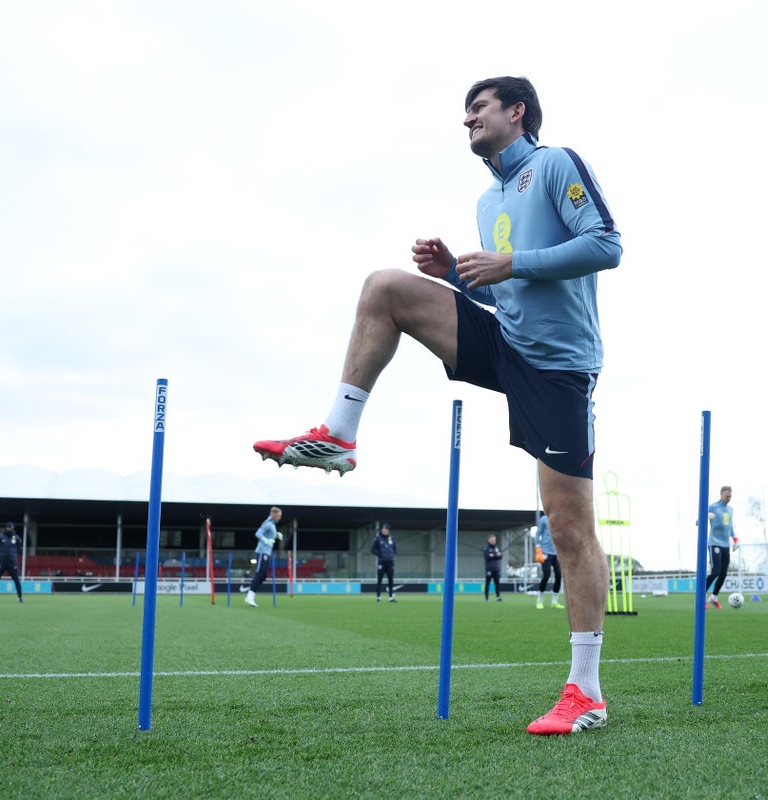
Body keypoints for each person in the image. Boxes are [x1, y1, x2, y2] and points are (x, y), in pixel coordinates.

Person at [252, 76, 620, 735]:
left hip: (560, 365)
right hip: (506, 340)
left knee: (567, 523)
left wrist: (509, 263)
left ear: (517, 111)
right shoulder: (487, 200)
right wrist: (455, 275)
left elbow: (606, 245)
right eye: (464, 111)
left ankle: (585, 691)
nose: (468, 120)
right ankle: (339, 432)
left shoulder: (556, 162)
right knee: (387, 287)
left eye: (478, 108)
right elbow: (503, 295)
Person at [245, 506, 283, 608]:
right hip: (262, 552)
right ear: (273, 514)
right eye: (279, 515)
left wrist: (276, 535)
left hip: (267, 552)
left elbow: (269, 535)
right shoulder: (268, 523)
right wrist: (265, 540)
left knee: (263, 575)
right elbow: (258, 533)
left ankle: (251, 595)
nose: (280, 518)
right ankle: (250, 596)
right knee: (260, 573)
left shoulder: (272, 525)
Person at [705, 486, 735, 609]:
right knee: (716, 571)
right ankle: (701, 597)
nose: (729, 498)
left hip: (726, 545)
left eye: (731, 496)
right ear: (722, 494)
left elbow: (730, 526)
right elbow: (698, 520)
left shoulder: (730, 509)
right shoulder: (713, 507)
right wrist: (706, 517)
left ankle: (713, 597)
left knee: (723, 573)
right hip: (714, 543)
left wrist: (735, 538)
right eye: (727, 496)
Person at [0, 522, 23, 603]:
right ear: (6, 528)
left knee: (16, 580)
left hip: (12, 563)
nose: (9, 529)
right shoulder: (0, 537)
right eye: (8, 528)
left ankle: (20, 598)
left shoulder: (16, 538)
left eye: (11, 528)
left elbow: (18, 549)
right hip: (1, 562)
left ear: (13, 529)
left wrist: (12, 557)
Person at [535, 512, 563, 609]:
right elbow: (538, 533)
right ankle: (539, 600)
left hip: (557, 553)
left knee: (559, 575)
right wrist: (538, 548)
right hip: (545, 552)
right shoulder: (544, 519)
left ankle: (554, 601)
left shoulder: (560, 518)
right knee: (546, 574)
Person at [371, 521, 398, 602]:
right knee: (379, 580)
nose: (384, 530)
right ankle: (378, 597)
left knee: (391, 580)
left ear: (388, 530)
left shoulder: (391, 538)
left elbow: (395, 549)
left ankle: (391, 597)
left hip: (390, 562)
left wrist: (392, 555)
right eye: (383, 529)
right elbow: (373, 550)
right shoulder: (378, 538)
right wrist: (380, 554)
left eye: (385, 529)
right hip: (382, 562)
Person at [483, 534, 504, 603]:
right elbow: (487, 557)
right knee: (487, 584)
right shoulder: (486, 548)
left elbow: (500, 556)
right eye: (492, 540)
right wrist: (496, 555)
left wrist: (493, 555)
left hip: (496, 568)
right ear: (489, 540)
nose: (493, 541)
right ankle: (486, 598)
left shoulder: (496, 548)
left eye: (494, 540)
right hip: (489, 568)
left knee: (497, 583)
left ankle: (498, 597)